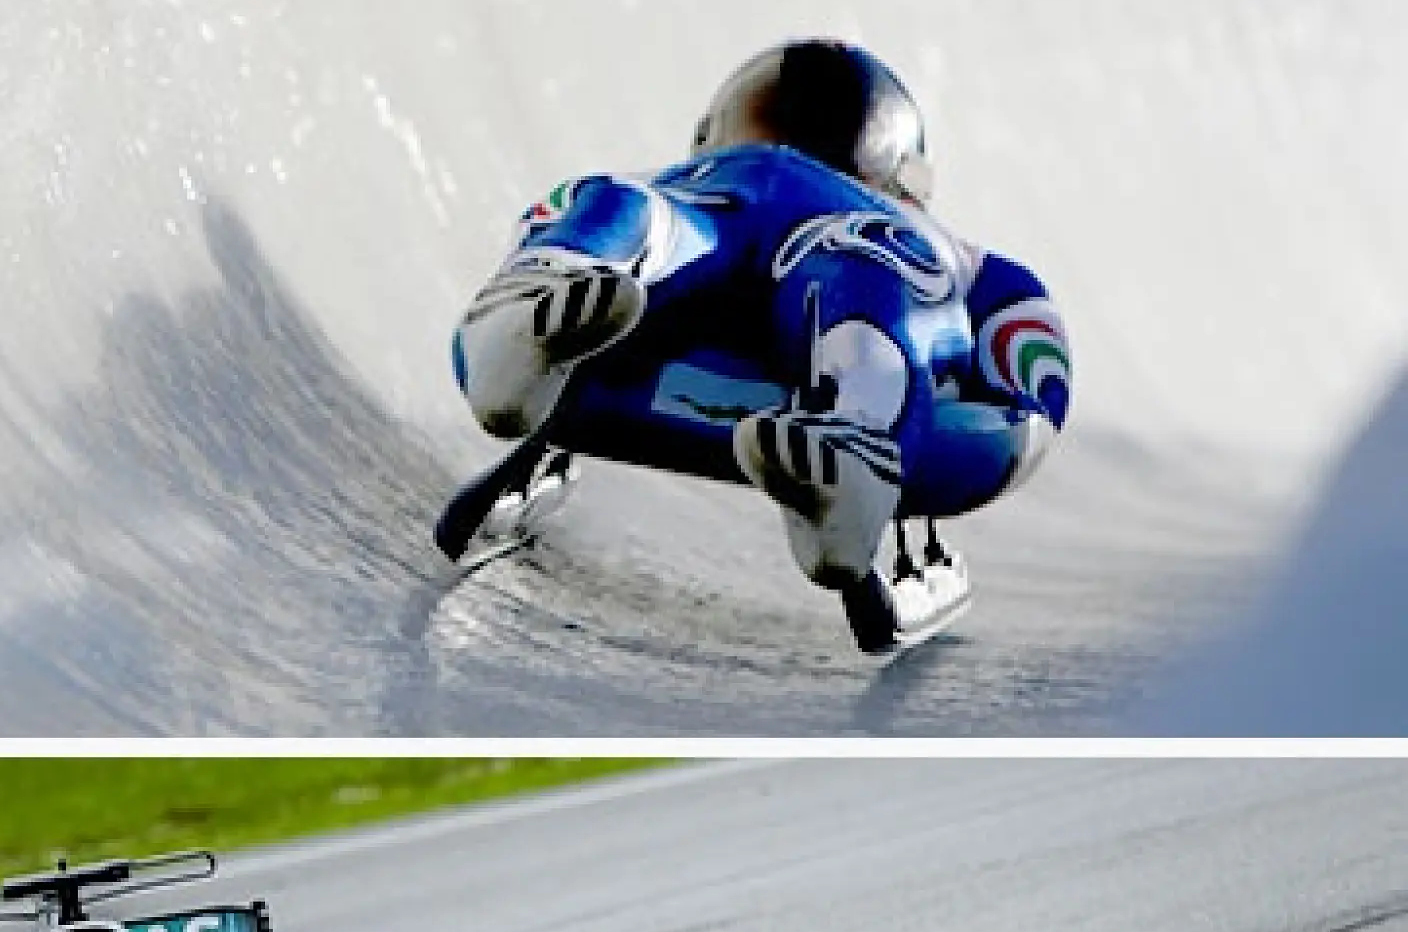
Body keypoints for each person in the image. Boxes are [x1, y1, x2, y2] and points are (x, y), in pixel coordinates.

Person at [449, 38, 1070, 653]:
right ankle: (854, 443)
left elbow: (553, 213)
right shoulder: (962, 262)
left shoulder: (664, 185)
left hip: (639, 369)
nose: (786, 156)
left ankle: (537, 315)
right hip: (794, 364)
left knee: (643, 216)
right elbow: (1032, 402)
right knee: (849, 264)